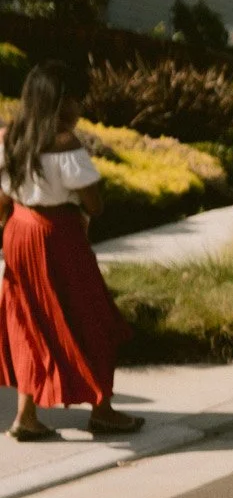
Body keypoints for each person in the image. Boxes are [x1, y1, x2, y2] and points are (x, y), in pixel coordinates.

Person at [0, 61, 143, 442]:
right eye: (78, 98)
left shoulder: (8, 137)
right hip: (56, 235)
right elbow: (94, 205)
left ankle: (26, 415)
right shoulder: (66, 144)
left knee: (28, 322)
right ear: (62, 101)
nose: (82, 106)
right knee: (90, 316)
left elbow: (1, 195)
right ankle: (102, 410)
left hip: (18, 232)